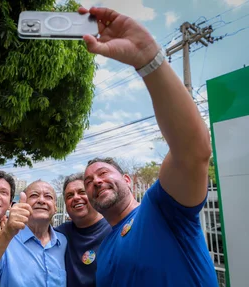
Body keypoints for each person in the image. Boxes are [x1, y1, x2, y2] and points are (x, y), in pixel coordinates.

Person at [79, 6, 218, 287]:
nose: (96, 181)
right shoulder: (103, 251)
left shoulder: (161, 208)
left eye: (103, 172)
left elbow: (193, 152)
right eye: (88, 181)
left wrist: (148, 61)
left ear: (127, 180)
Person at [0, 180, 67, 287]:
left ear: (55, 207)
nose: (41, 200)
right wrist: (7, 233)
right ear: (22, 204)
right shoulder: (0, 239)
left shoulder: (63, 242)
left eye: (48, 197)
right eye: (34, 195)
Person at [56, 172, 111, 287]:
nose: (76, 197)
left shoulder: (113, 229)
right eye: (70, 196)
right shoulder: (58, 235)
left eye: (82, 192)